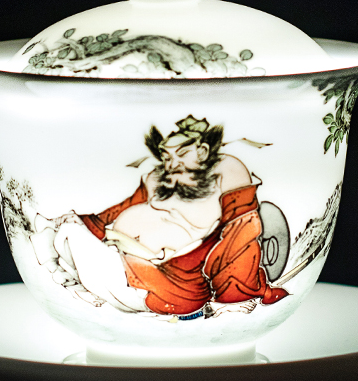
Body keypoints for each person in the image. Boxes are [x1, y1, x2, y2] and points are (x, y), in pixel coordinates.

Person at [31, 116, 289, 317]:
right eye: (166, 156)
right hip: (124, 260)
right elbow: (118, 210)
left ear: (202, 151)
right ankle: (75, 280)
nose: (172, 163)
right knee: (64, 230)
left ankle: (73, 280)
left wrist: (233, 296)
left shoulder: (226, 176)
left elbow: (240, 236)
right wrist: (86, 224)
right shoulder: (159, 178)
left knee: (70, 234)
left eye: (181, 154)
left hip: (166, 285)